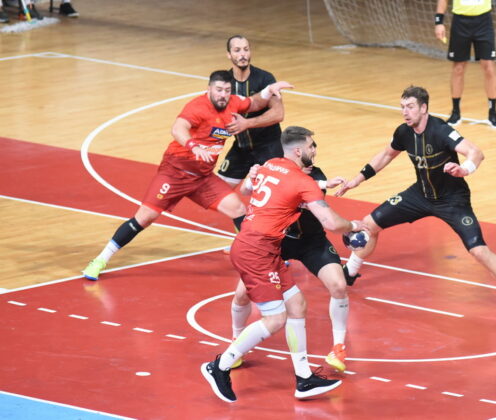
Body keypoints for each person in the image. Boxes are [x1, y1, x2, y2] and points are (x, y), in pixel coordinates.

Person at [336, 86, 496, 323]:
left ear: (424, 108)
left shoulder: (441, 130)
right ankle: (349, 273)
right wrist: (357, 180)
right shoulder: (403, 132)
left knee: (479, 250)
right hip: (419, 195)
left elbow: (476, 152)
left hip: (452, 200)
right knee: (369, 225)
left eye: (410, 107)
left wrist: (464, 169)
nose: (405, 112)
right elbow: (386, 155)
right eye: (402, 107)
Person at [201, 126, 365, 403]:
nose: (314, 150)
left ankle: (304, 379)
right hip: (256, 251)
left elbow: (249, 189)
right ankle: (220, 366)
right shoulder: (302, 180)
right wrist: (353, 226)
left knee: (297, 305)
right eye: (311, 146)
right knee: (275, 319)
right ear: (299, 150)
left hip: (263, 247)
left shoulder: (271, 165)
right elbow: (330, 222)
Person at [82, 70, 293, 281]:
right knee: (144, 218)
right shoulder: (197, 107)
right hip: (175, 173)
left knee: (238, 208)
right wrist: (193, 146)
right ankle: (100, 260)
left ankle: (260, 256)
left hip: (202, 178)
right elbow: (178, 128)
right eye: (219, 90)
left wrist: (269, 90)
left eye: (227, 91)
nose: (223, 95)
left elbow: (254, 103)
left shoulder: (233, 103)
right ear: (209, 89)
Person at [230, 164, 350, 372]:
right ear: (297, 152)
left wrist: (323, 184)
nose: (312, 155)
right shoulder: (275, 171)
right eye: (309, 149)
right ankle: (236, 340)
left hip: (312, 242)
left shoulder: (315, 175)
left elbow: (302, 197)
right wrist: (251, 176)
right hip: (278, 241)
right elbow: (245, 190)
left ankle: (338, 347)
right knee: (241, 294)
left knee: (339, 285)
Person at [217, 35, 284, 188]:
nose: (243, 54)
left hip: (269, 148)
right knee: (219, 191)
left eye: (246, 49)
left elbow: (278, 114)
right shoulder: (225, 83)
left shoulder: (265, 78)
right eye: (237, 50)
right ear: (229, 54)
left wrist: (247, 123)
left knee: (274, 194)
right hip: (241, 147)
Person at [434, 0, 496, 128]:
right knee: (458, 68)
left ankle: (493, 113)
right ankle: (455, 112)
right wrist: (439, 22)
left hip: (484, 21)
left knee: (489, 67)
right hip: (460, 22)